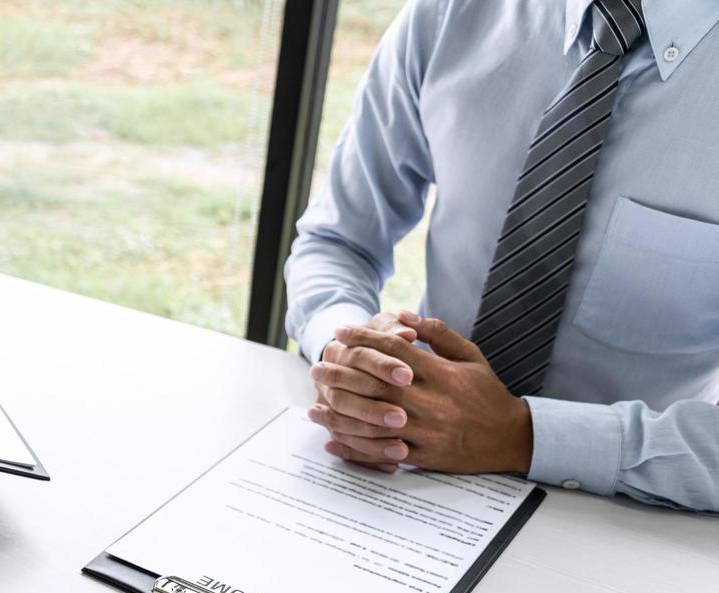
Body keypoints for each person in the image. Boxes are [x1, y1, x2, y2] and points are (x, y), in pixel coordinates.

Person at [286, 0, 719, 513]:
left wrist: (523, 435)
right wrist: (353, 357)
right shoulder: (450, 12)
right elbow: (337, 241)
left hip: (624, 518)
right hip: (399, 470)